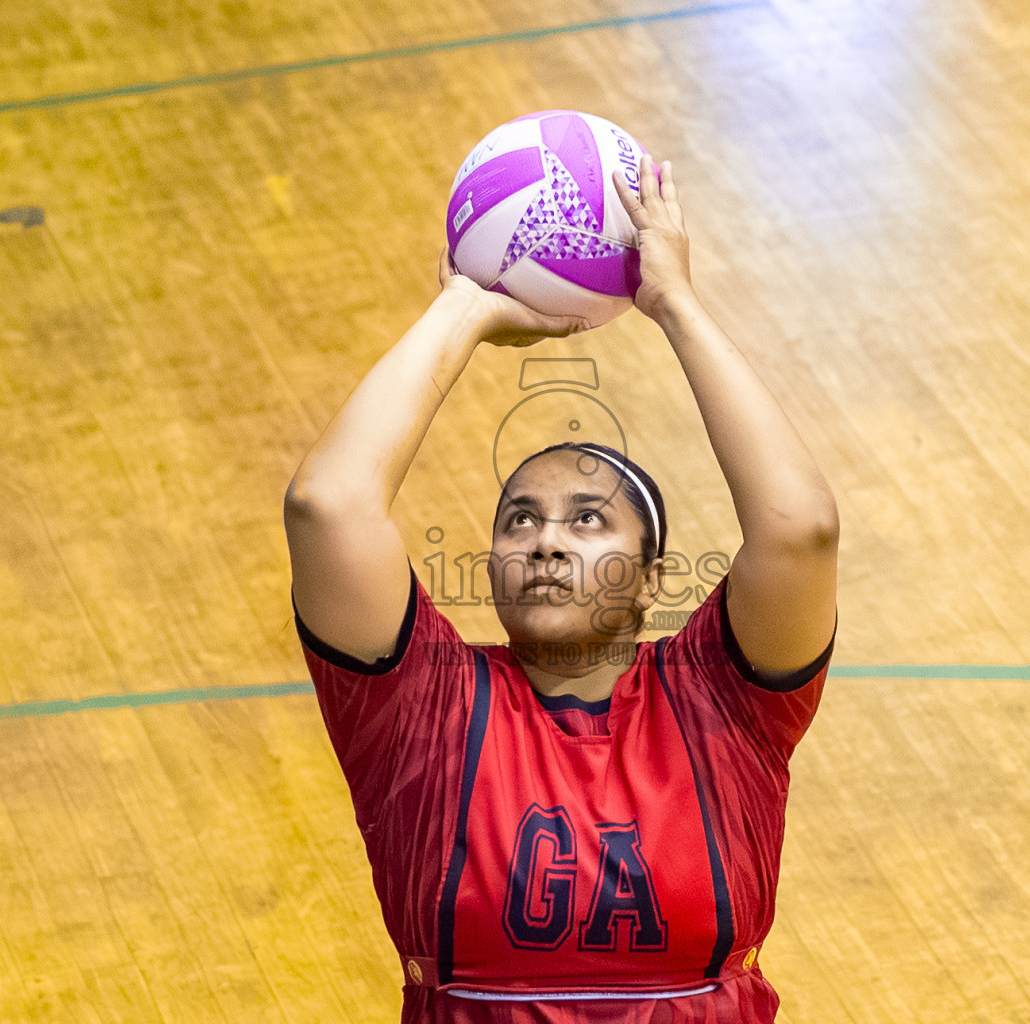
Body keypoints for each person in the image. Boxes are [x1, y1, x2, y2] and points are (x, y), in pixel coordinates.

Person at [285, 152, 839, 1022]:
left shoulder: (725, 702)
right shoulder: (420, 707)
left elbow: (800, 529)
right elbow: (328, 506)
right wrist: (463, 306)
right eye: (518, 521)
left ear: (652, 577)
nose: (544, 540)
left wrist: (676, 305)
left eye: (588, 520)